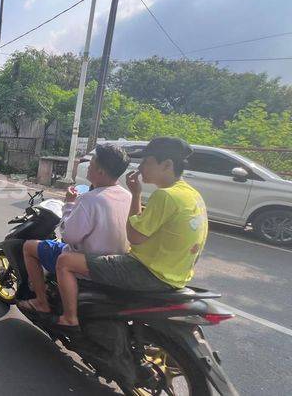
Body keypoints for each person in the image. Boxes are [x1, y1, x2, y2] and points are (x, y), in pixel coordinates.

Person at [51, 137, 208, 332]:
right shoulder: (191, 194)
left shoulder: (165, 196)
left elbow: (134, 237)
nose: (140, 168)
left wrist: (136, 194)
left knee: (65, 261)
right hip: (178, 275)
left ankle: (69, 318)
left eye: (146, 162)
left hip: (148, 273)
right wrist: (134, 195)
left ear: (167, 165)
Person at [17, 143, 132, 314]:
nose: (87, 167)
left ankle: (41, 302)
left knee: (29, 247)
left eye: (91, 163)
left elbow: (69, 236)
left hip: (87, 262)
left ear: (100, 170)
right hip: (114, 261)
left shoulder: (89, 200)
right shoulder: (127, 195)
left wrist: (69, 203)